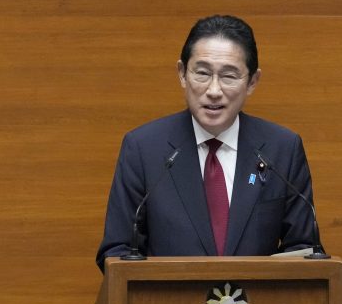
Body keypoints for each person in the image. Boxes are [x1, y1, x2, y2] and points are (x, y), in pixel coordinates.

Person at [96, 15, 318, 270]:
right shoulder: (144, 148)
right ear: (182, 74)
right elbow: (117, 251)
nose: (214, 90)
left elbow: (304, 252)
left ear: (252, 82)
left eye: (228, 76)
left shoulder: (282, 149)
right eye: (202, 73)